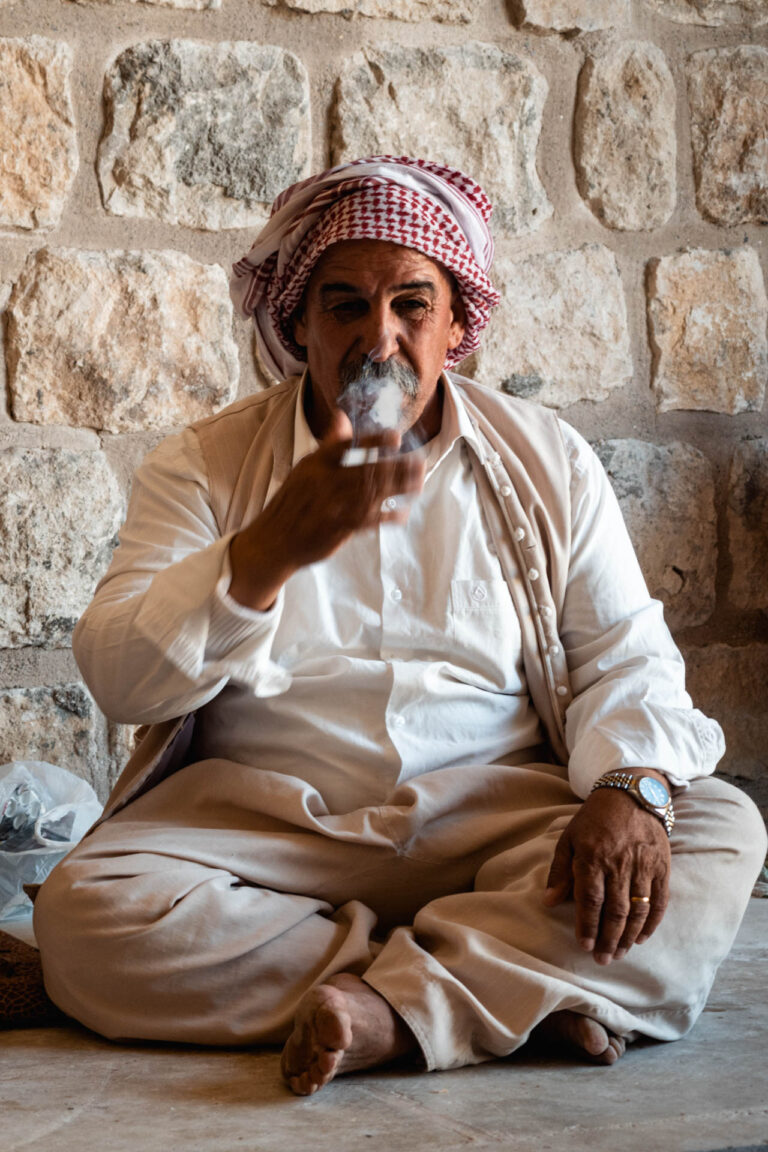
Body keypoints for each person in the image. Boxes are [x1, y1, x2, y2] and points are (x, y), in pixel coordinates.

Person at [34, 157, 766, 1096]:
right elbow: (122, 680)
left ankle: (384, 1009)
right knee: (83, 917)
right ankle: (498, 990)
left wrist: (629, 787)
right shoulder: (205, 468)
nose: (378, 339)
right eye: (343, 306)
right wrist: (266, 551)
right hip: (272, 835)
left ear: (457, 325)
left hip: (500, 827)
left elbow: (627, 656)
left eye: (411, 305)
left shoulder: (549, 461)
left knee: (713, 827)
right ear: (299, 326)